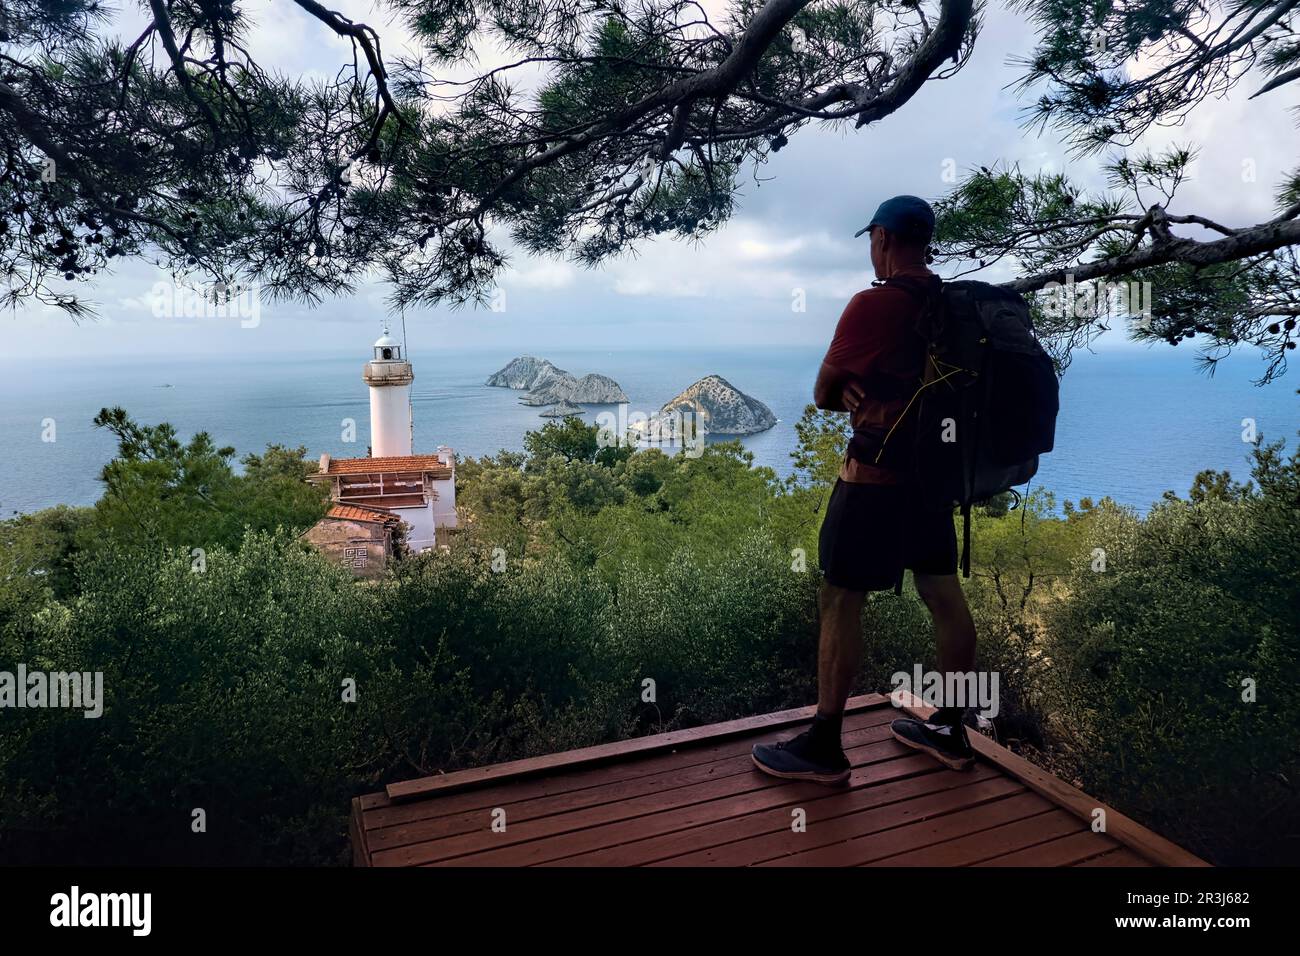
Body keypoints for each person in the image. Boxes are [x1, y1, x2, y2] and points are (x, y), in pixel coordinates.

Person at [751, 195, 977, 785]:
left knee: (840, 598)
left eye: (871, 241)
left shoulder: (873, 305)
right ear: (925, 240)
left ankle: (825, 745)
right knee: (943, 595)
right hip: (933, 482)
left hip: (874, 480)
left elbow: (825, 392)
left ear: (881, 238)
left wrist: (854, 387)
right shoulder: (951, 302)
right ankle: (951, 729)